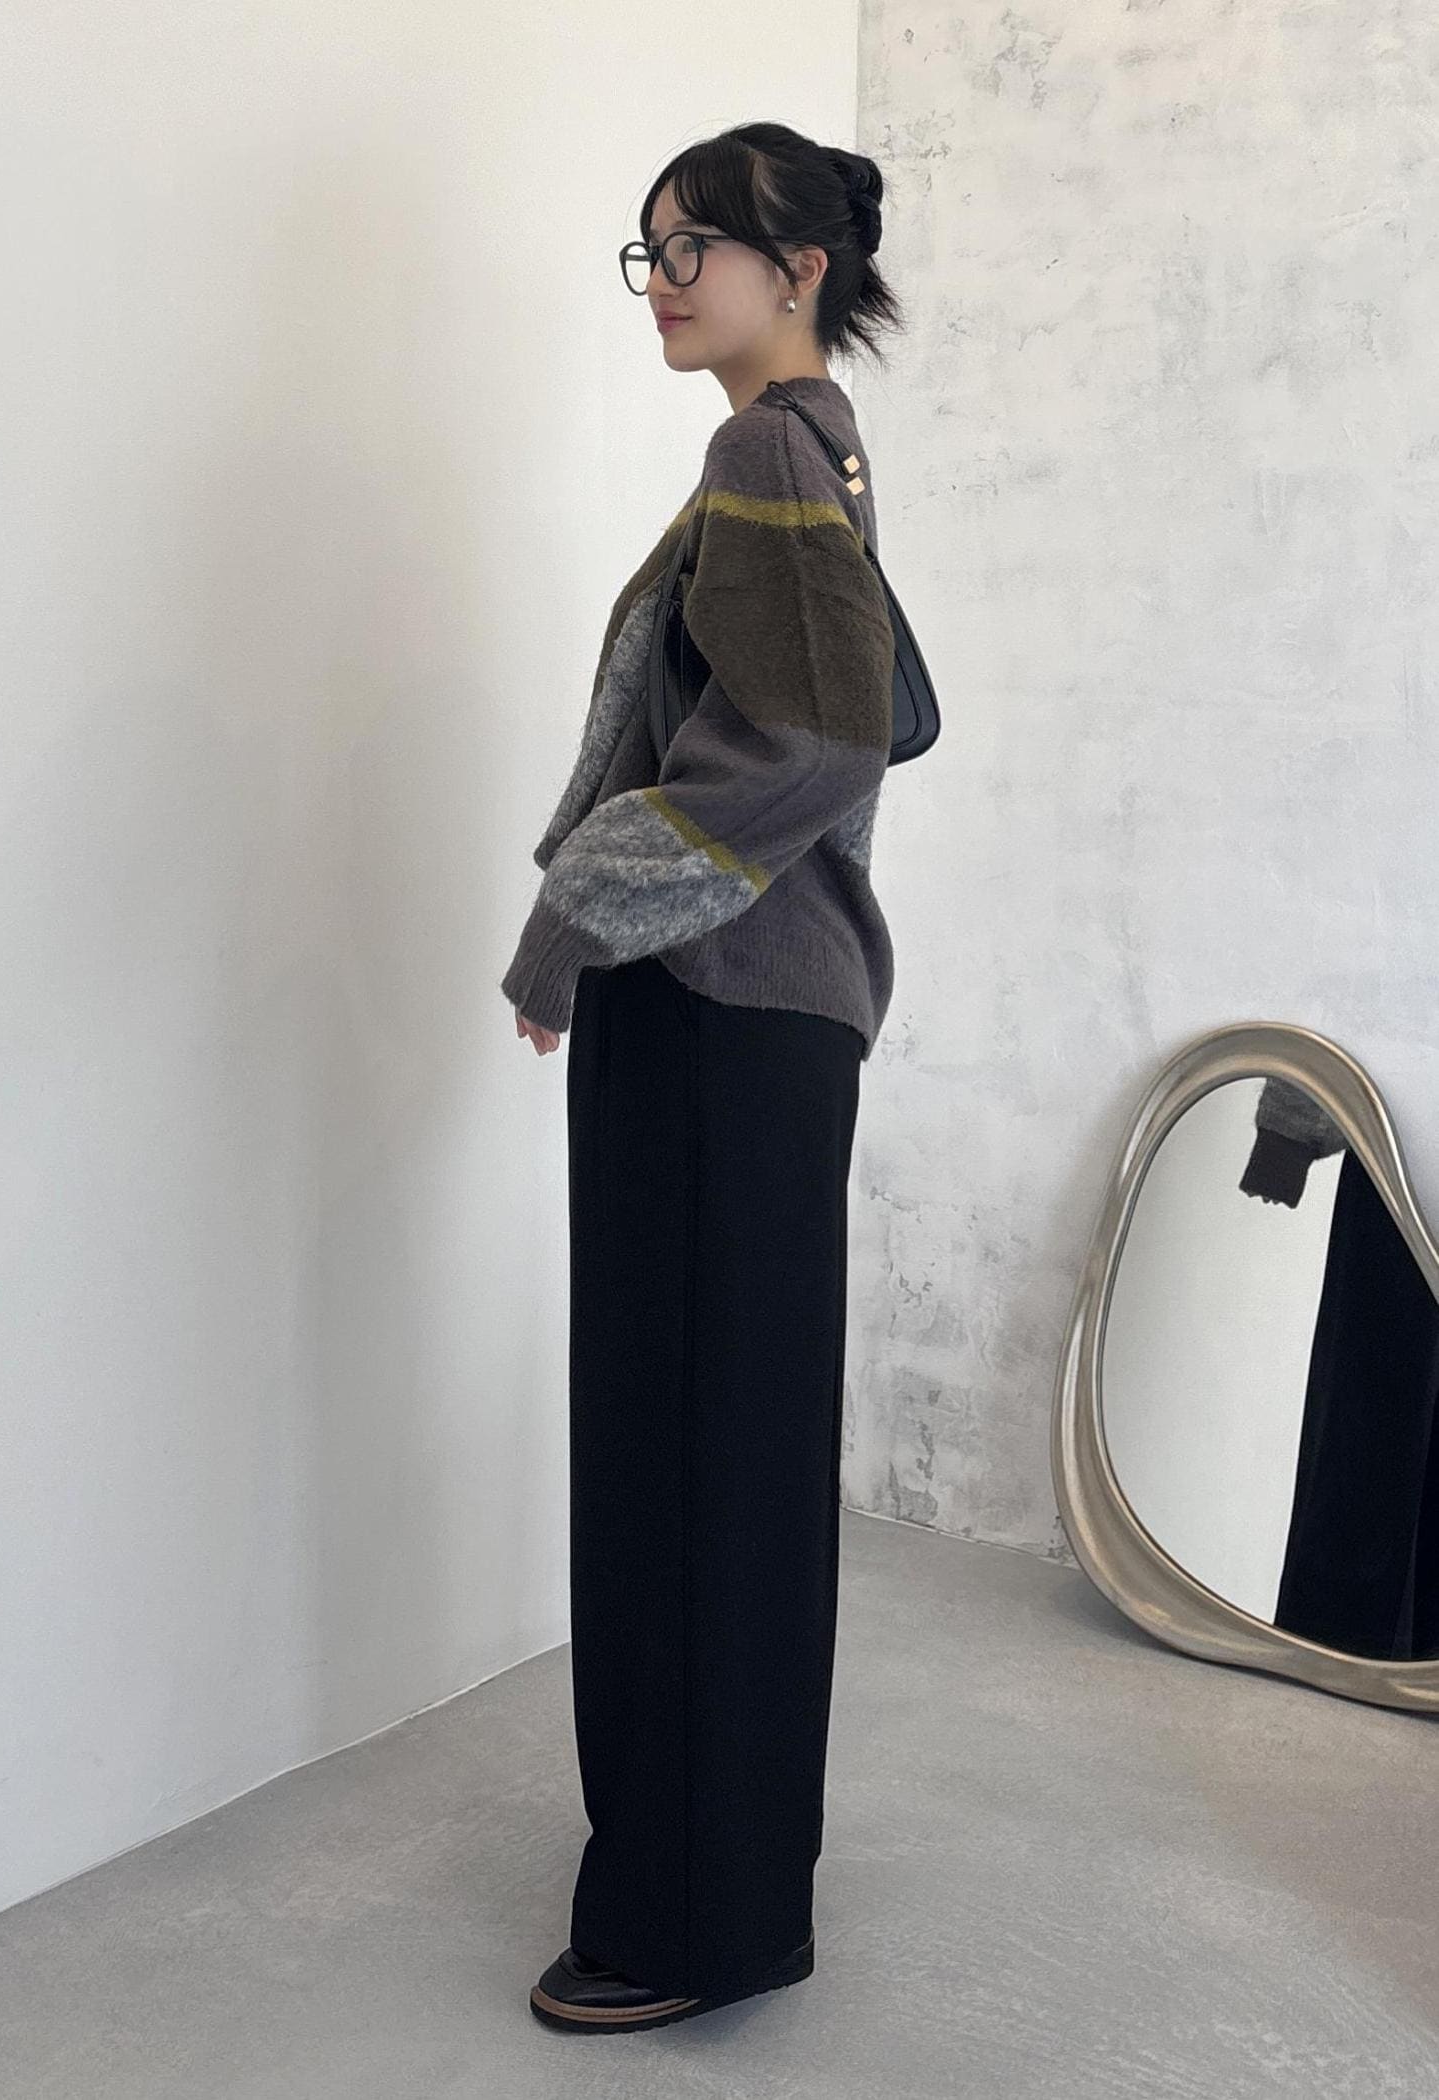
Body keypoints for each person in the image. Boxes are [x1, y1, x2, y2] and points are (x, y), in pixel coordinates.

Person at [505, 121, 906, 2035]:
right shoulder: (821, 442)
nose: (662, 282)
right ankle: (724, 1893)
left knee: (676, 1467)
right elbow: (845, 720)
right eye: (648, 251)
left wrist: (577, 916)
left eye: (695, 250)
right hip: (766, 1019)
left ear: (796, 269)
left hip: (714, 1005)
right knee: (731, 1467)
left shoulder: (765, 452)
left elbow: (819, 741)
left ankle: (678, 1918)